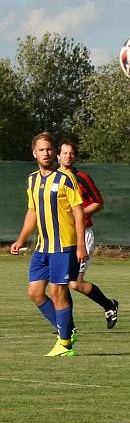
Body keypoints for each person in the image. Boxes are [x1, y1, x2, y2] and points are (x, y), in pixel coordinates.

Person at [10, 132, 87, 356]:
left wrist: (81, 244)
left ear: (54, 152)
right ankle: (66, 330)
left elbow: (78, 212)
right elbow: (32, 211)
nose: (46, 153)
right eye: (41, 150)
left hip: (64, 246)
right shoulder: (32, 179)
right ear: (34, 153)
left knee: (58, 293)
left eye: (49, 149)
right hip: (42, 247)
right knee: (35, 292)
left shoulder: (65, 178)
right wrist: (21, 239)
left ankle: (65, 344)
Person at [58, 139, 120, 328]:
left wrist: (78, 214)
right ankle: (67, 325)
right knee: (59, 283)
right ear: (58, 155)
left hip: (82, 234)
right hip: (60, 236)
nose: (68, 156)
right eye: (65, 152)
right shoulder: (52, 178)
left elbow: (98, 202)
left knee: (75, 284)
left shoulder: (82, 177)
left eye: (72, 153)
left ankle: (109, 305)